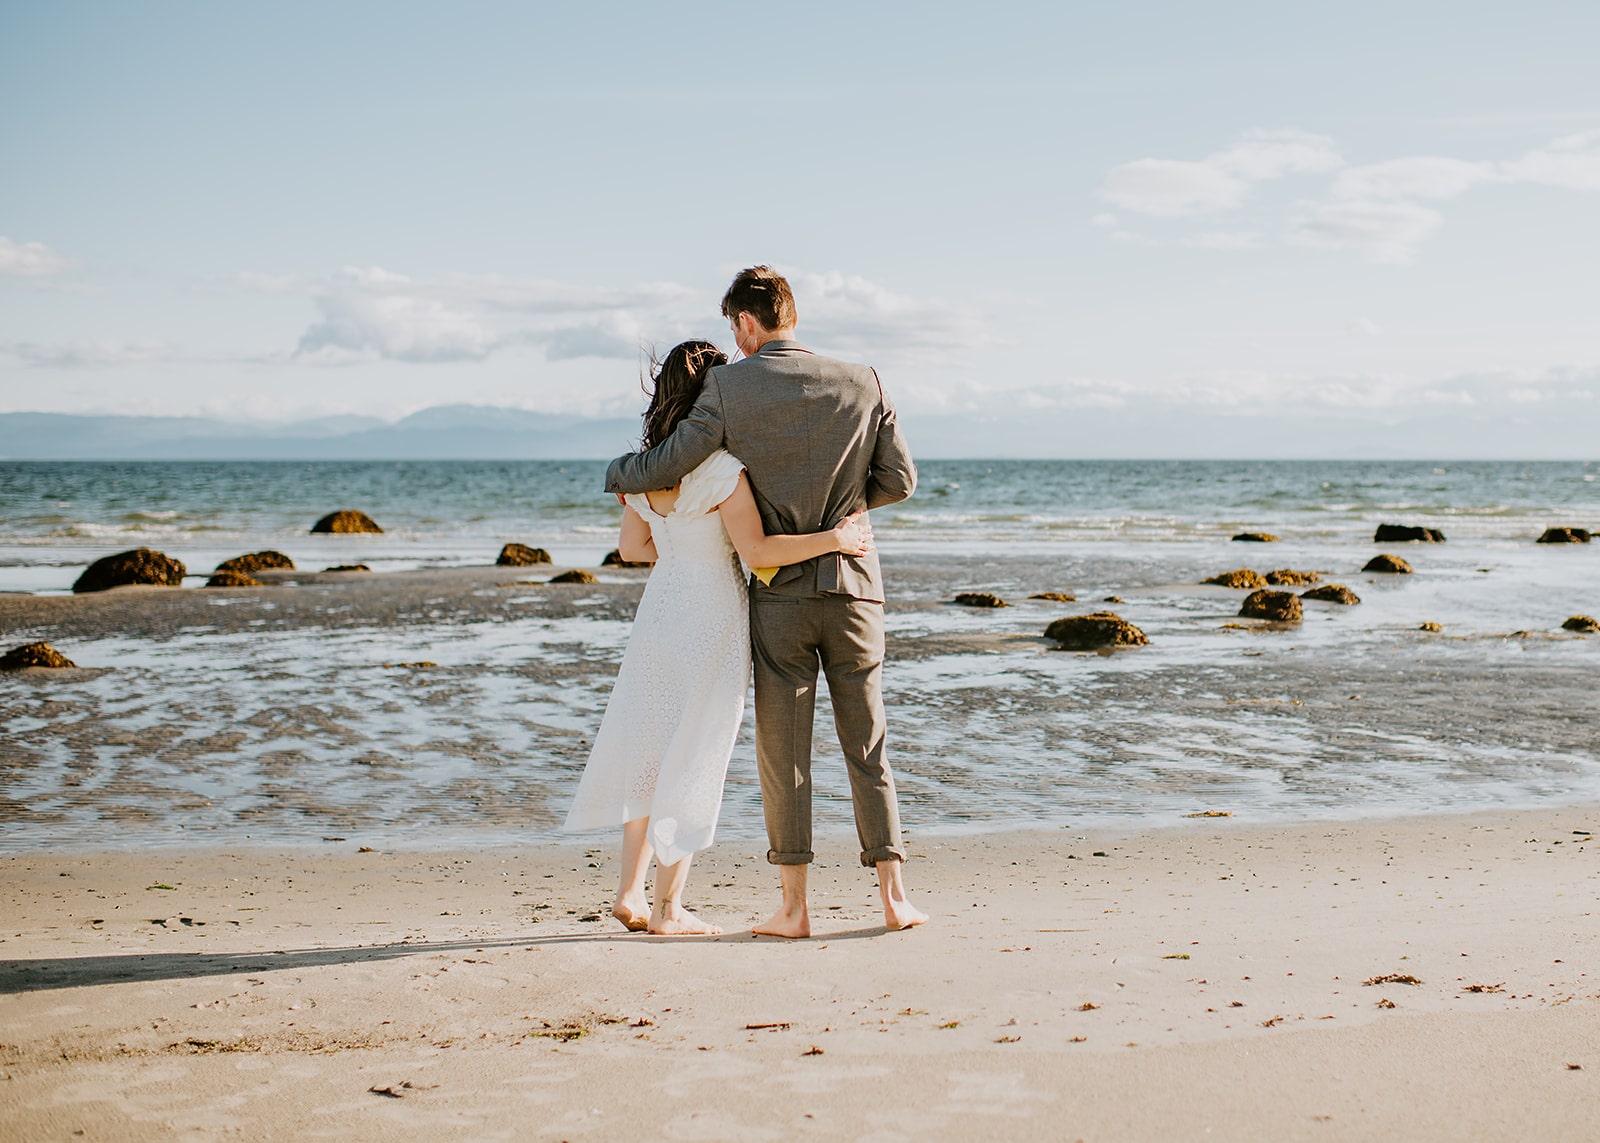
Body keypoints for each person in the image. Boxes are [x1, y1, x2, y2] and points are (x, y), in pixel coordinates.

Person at [605, 266, 926, 937]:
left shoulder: (727, 385)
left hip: (779, 594)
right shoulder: (864, 379)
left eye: (734, 326)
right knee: (868, 741)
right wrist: (845, 514)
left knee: (785, 754)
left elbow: (668, 466)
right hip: (855, 584)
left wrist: (616, 475)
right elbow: (900, 478)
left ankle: (795, 908)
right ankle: (894, 899)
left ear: (745, 321)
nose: (735, 339)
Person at [563, 339, 875, 936]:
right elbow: (757, 551)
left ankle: (630, 893)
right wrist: (834, 540)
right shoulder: (723, 470)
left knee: (651, 756)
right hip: (711, 618)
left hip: (660, 615)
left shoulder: (647, 466)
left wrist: (677, 540)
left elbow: (632, 550)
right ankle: (667, 909)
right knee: (695, 756)